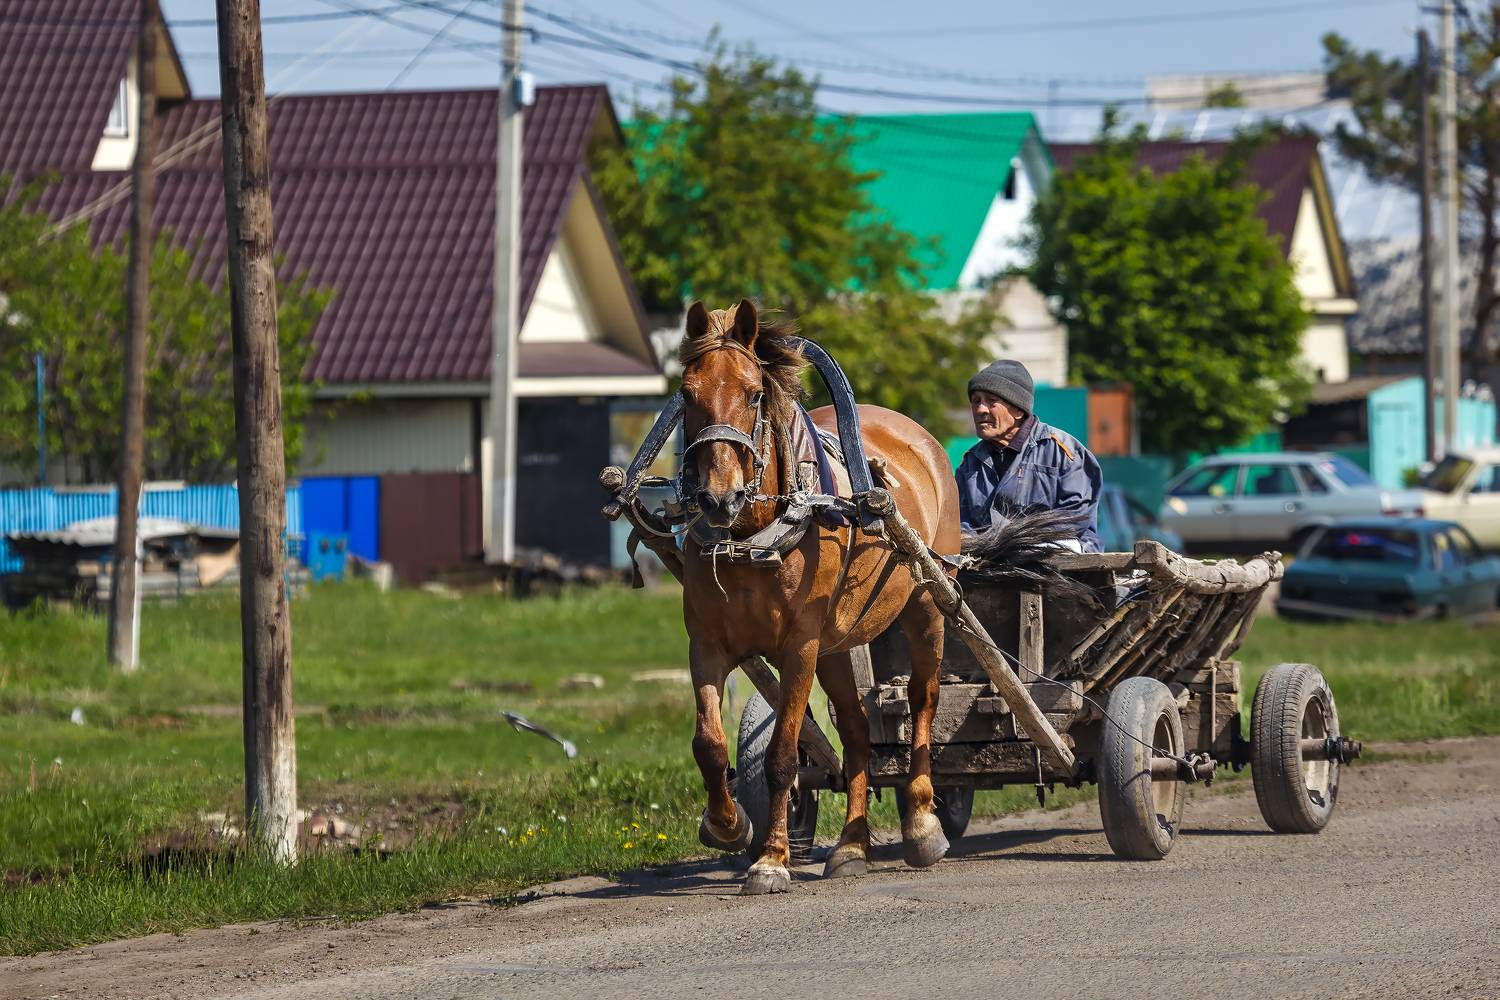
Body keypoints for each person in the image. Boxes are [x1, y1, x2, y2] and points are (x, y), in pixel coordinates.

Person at [954, 359, 1103, 552]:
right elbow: (959, 522)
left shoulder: (1064, 452)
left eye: (991, 401)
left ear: (1017, 410)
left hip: (1062, 564)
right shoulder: (970, 463)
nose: (981, 409)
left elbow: (1073, 521)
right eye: (976, 401)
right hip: (990, 561)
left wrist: (1004, 542)